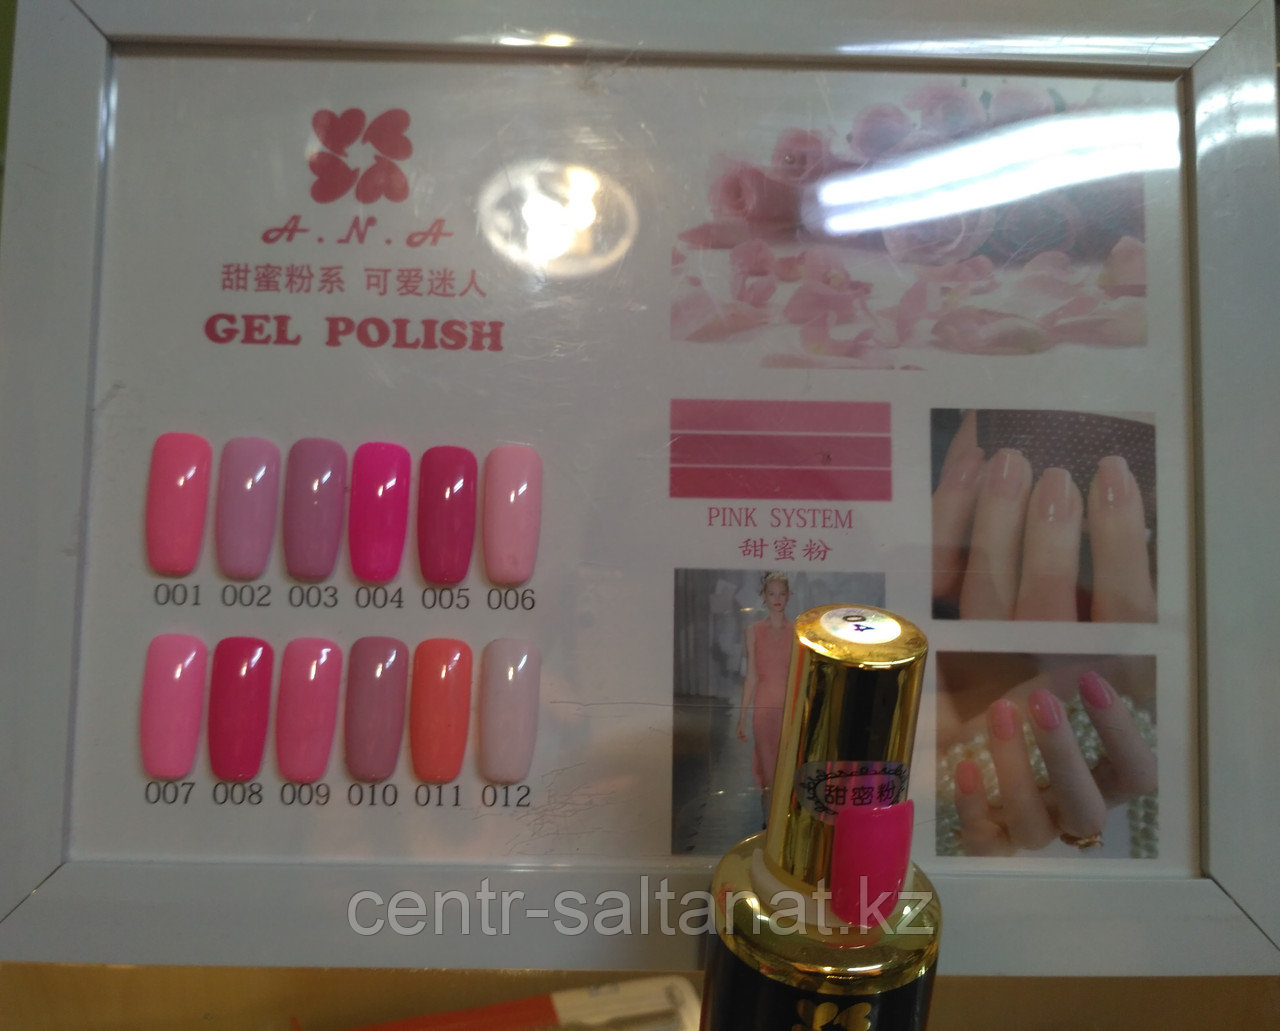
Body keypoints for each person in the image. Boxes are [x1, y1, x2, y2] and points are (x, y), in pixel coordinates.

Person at [736, 572, 794, 817]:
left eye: (781, 593)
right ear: (764, 596)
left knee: (787, 767)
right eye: (771, 594)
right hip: (763, 707)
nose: (777, 599)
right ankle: (771, 822)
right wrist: (742, 717)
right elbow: (751, 676)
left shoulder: (798, 632)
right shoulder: (753, 631)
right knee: (768, 768)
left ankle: (781, 822)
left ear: (789, 596)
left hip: (790, 708)